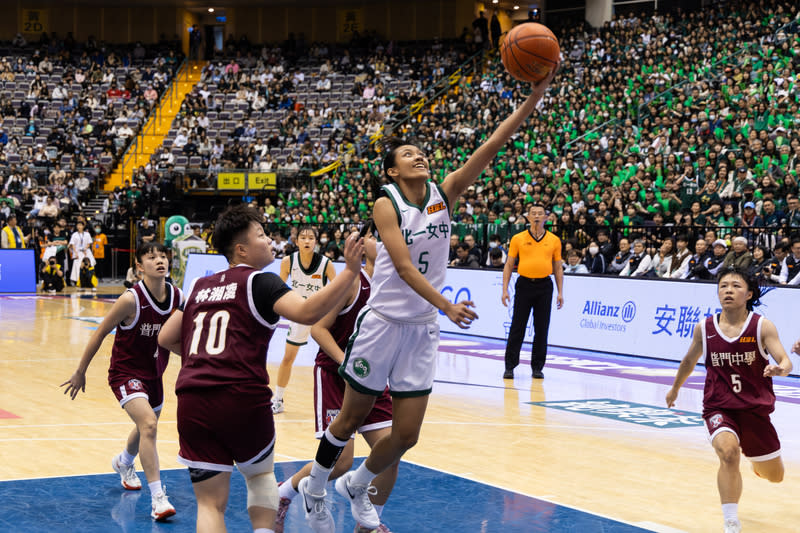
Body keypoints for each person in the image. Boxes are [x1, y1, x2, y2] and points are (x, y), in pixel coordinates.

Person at [297, 67, 559, 533]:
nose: (418, 157)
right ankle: (314, 487)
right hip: (383, 324)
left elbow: (493, 145)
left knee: (408, 434)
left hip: (421, 330)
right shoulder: (387, 202)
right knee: (352, 416)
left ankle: (357, 485)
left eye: (421, 152)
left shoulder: (446, 192)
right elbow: (401, 267)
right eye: (407, 154)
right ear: (392, 170)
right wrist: (447, 304)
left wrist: (532, 99)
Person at [156, 205, 363, 533]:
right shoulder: (261, 282)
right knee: (260, 477)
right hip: (242, 398)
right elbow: (308, 312)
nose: (270, 242)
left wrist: (203, 360)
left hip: (193, 400)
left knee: (210, 505)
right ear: (242, 249)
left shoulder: (198, 286)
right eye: (262, 236)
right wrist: (351, 271)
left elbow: (167, 337)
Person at [274, 226, 398, 533]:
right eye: (376, 237)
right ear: (361, 245)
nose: (384, 243)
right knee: (341, 464)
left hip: (371, 377)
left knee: (390, 454)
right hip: (334, 373)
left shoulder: (395, 286)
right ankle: (283, 493)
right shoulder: (353, 282)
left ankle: (368, 525)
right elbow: (318, 329)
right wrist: (346, 364)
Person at [61, 242, 181, 522]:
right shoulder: (130, 299)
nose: (160, 261)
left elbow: (177, 341)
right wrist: (81, 371)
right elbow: (100, 332)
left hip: (155, 373)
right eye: (152, 257)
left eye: (163, 256)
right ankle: (158, 499)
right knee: (149, 424)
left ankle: (124, 462)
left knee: (145, 427)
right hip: (125, 373)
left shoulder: (177, 296)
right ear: (139, 266)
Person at [666, 267, 792, 533]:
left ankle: (758, 463)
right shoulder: (705, 327)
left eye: (735, 286)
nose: (728, 291)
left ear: (748, 294)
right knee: (728, 453)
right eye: (723, 286)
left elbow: (785, 359)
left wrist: (780, 368)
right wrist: (675, 388)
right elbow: (689, 360)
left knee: (775, 476)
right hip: (719, 407)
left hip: (755, 411)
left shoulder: (761, 326)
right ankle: (731, 522)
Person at [272, 225, 336, 414]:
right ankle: (278, 398)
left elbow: (339, 290)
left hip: (321, 318)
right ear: (296, 241)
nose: (307, 241)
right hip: (299, 314)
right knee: (288, 358)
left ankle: (340, 401)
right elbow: (277, 288)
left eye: (311, 238)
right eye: (303, 237)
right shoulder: (287, 262)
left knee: (334, 360)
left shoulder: (326, 264)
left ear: (316, 242)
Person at [501, 203, 564, 380]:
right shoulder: (518, 238)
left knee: (542, 328)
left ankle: (537, 367)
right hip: (524, 285)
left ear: (546, 217)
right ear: (528, 217)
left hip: (545, 286)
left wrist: (560, 292)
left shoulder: (554, 240)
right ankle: (510, 366)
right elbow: (508, 264)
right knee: (517, 327)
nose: (536, 216)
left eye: (540, 213)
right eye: (533, 213)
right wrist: (505, 289)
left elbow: (558, 268)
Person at [68, 220, 95, 286]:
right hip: (77, 252)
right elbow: (72, 244)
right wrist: (75, 253)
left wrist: (85, 249)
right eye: (78, 225)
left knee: (89, 265)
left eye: (81, 225)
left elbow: (89, 243)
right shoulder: (74, 234)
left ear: (83, 226)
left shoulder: (87, 234)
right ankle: (78, 281)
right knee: (77, 266)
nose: (79, 226)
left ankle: (89, 280)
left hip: (86, 251)